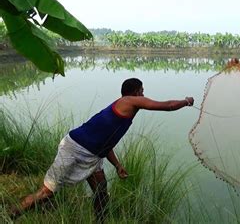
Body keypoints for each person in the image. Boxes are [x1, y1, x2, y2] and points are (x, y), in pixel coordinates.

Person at [10, 78, 194, 222]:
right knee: (47, 192)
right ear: (136, 92)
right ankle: (12, 214)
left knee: (101, 191)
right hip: (74, 148)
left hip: (93, 155)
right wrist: (186, 101)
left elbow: (107, 143)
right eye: (142, 90)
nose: (144, 94)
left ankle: (101, 221)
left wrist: (117, 165)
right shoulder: (128, 101)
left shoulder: (125, 111)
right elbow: (168, 106)